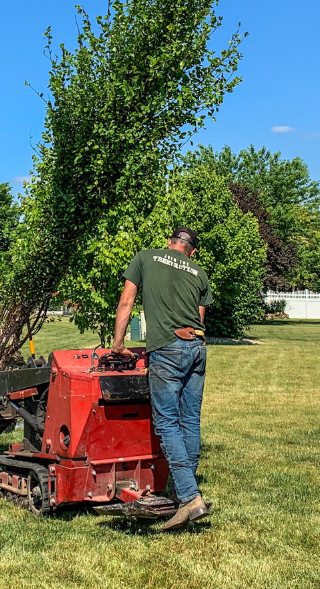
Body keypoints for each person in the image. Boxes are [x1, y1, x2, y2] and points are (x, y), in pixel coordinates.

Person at [112, 227, 213, 531]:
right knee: (190, 421)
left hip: (167, 349)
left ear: (169, 244)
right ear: (191, 251)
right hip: (196, 347)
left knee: (167, 422)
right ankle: (182, 493)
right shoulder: (199, 272)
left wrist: (118, 345)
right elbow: (199, 317)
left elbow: (126, 302)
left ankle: (188, 496)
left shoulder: (144, 257)